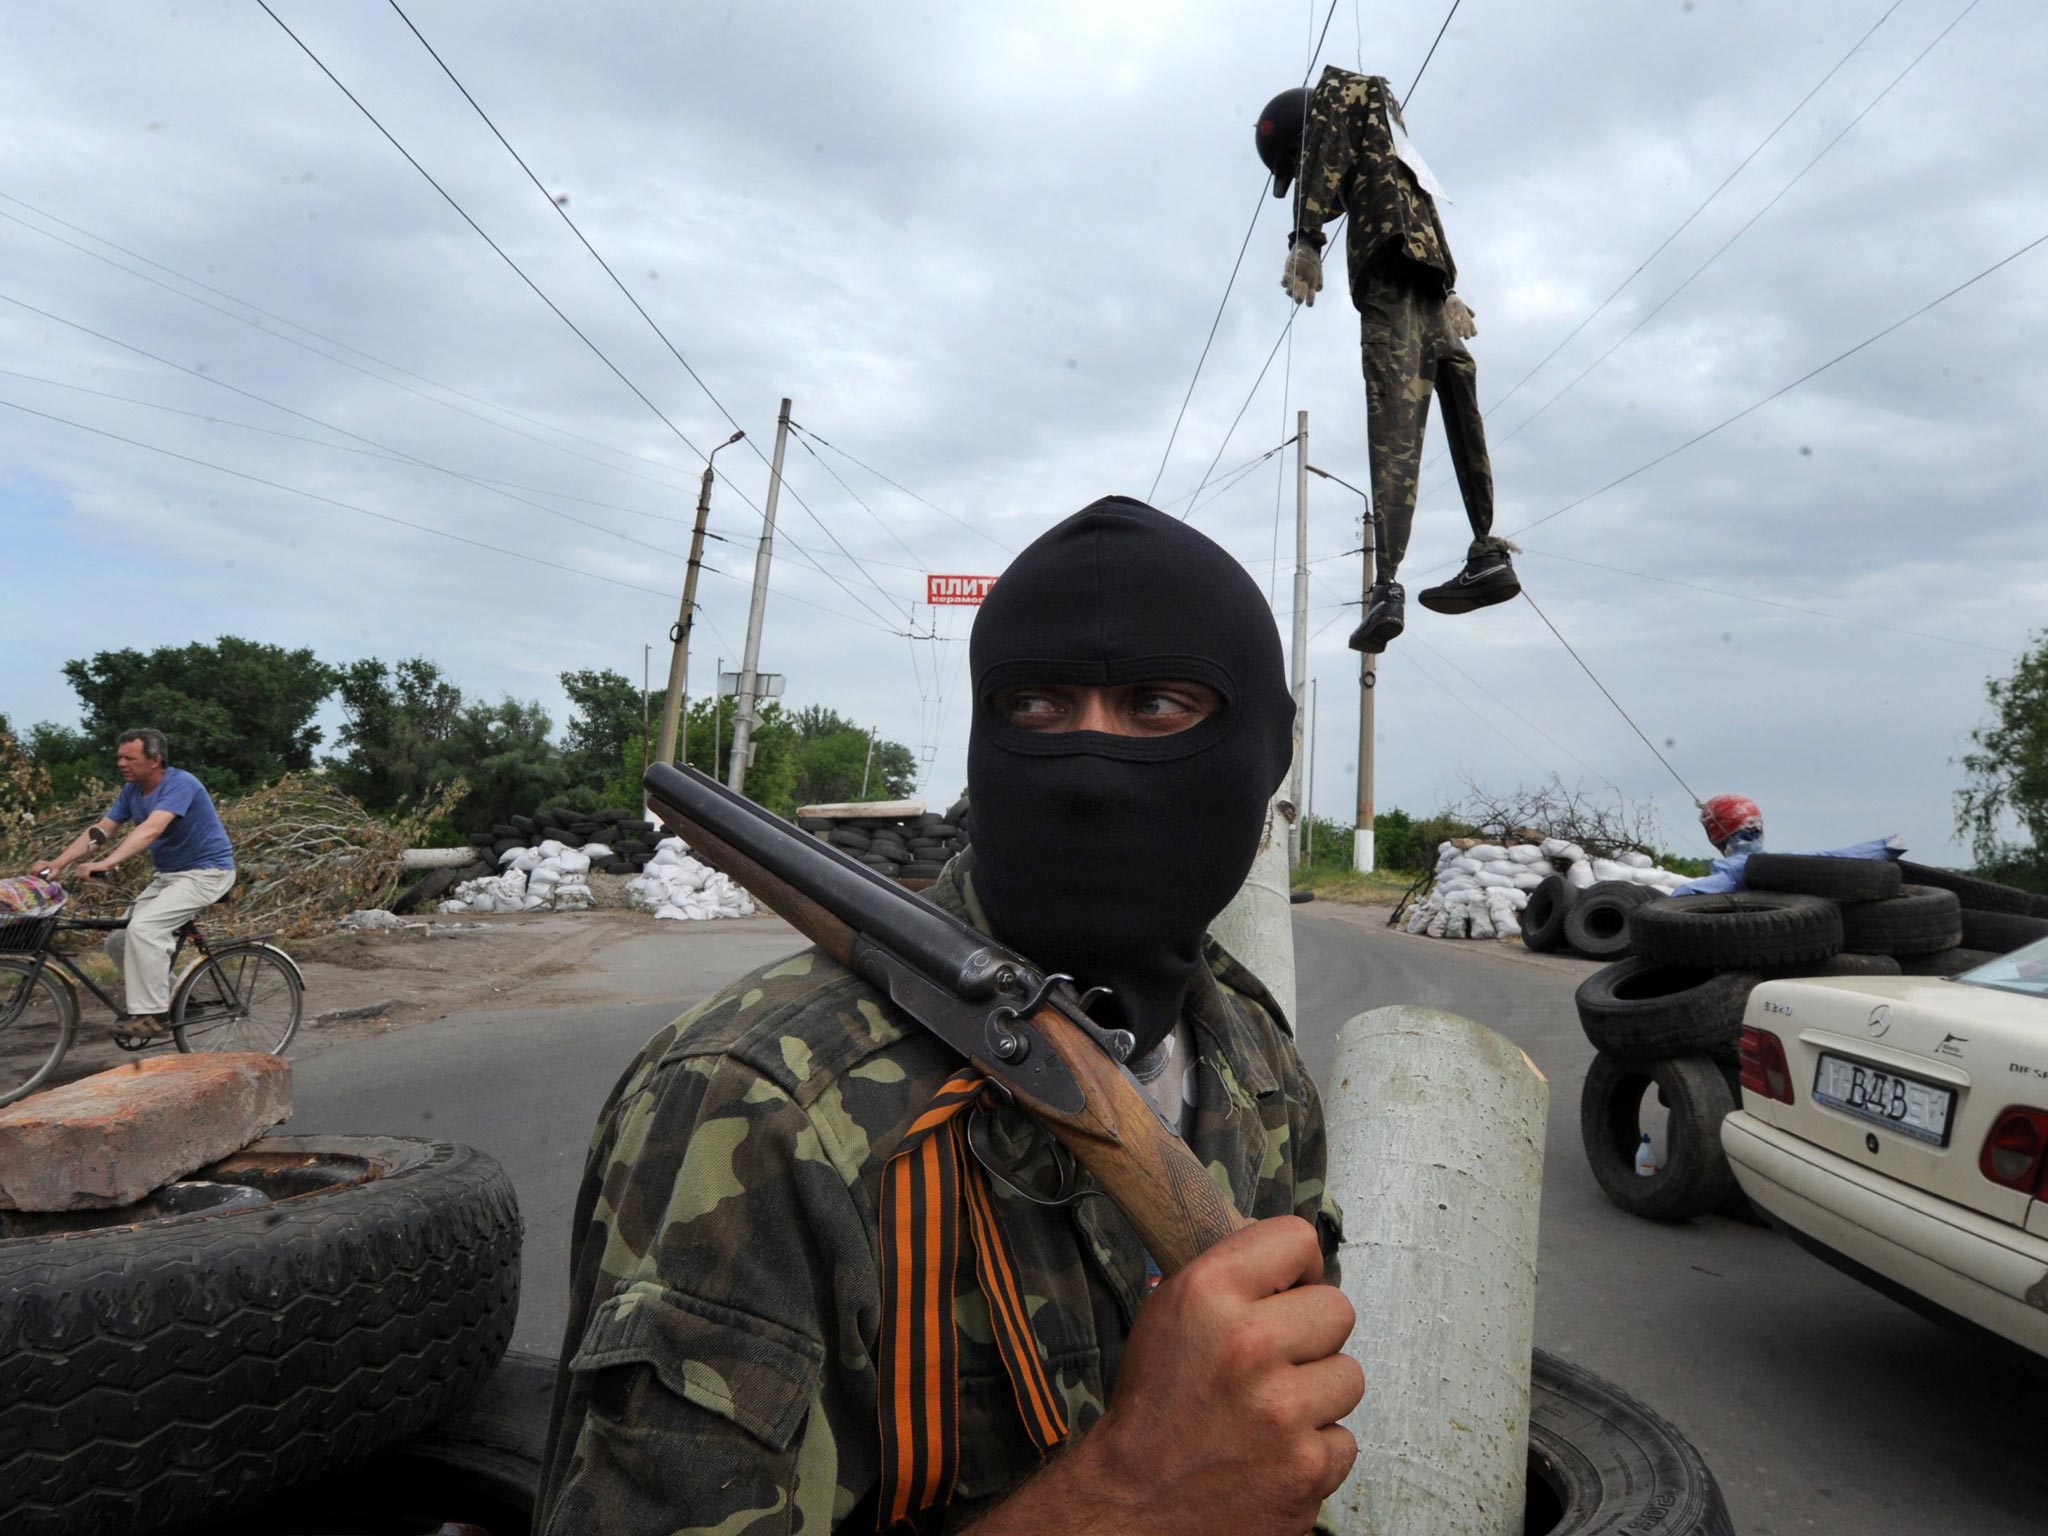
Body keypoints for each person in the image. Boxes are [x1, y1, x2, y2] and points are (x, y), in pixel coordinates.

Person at [538, 498, 1359, 1535]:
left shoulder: (1251, 1050)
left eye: (1157, 705)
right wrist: (1122, 1501)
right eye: (1036, 708)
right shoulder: (764, 1102)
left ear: (1266, 753)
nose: (1090, 765)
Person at [1256, 68, 1518, 654]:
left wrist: (1305, 235)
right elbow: (1421, 196)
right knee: (1463, 417)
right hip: (1428, 277)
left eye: (1294, 168)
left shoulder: (1333, 97)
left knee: (1395, 425)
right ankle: (1488, 553)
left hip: (1392, 279)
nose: (1303, 175)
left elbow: (1322, 148)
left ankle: (1387, 586)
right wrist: (1448, 284)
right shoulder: (1387, 119)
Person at [32, 729, 236, 1038]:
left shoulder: (181, 783)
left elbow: (152, 829)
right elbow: (101, 831)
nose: (121, 763)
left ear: (155, 760)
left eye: (130, 758)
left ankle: (153, 1016)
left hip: (207, 873)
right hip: (169, 876)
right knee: (118, 940)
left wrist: (106, 863)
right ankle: (178, 1000)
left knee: (145, 929)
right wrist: (58, 864)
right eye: (119, 757)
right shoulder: (131, 791)